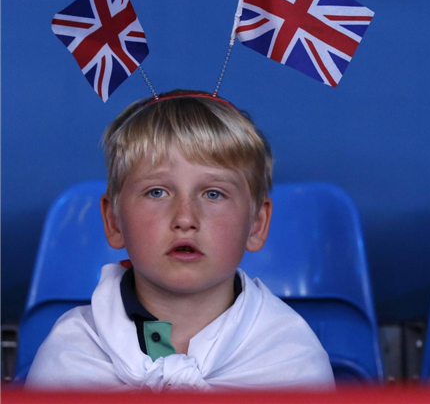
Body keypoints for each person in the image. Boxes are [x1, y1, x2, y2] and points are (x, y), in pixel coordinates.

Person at [26, 91, 334, 391]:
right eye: (157, 192)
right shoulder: (70, 355)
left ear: (257, 224)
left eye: (213, 194)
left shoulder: (292, 359)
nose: (185, 218)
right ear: (114, 220)